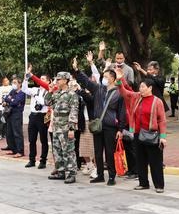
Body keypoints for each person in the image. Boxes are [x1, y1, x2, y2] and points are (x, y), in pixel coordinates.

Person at [74, 52, 127, 185]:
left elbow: (121, 113)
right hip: (97, 126)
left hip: (110, 127)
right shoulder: (98, 89)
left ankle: (111, 176)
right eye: (103, 77)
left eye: (106, 77)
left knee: (109, 152)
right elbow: (86, 81)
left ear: (113, 79)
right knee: (98, 152)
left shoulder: (119, 94)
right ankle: (100, 175)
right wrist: (77, 69)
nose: (104, 79)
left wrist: (120, 129)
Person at [117, 68, 167, 193]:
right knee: (140, 160)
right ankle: (143, 183)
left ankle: (159, 185)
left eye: (143, 87)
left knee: (155, 162)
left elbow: (162, 120)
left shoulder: (157, 102)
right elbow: (124, 92)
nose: (141, 89)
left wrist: (163, 137)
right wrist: (119, 80)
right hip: (138, 134)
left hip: (152, 135)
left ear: (150, 88)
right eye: (140, 87)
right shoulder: (136, 97)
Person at [42, 71, 79, 184]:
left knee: (68, 151)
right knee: (57, 150)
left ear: (65, 80)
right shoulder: (57, 93)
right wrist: (49, 91)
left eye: (59, 79)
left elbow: (74, 111)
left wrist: (71, 129)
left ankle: (71, 173)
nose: (56, 81)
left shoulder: (72, 94)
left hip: (66, 127)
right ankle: (61, 171)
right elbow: (47, 102)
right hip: (56, 127)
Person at [22, 64, 49, 169]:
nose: (40, 80)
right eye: (40, 79)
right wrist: (26, 78)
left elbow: (44, 102)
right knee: (32, 139)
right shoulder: (34, 89)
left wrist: (36, 96)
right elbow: (24, 89)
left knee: (43, 139)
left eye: (43, 79)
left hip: (43, 116)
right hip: (33, 116)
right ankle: (32, 159)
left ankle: (43, 160)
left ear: (48, 81)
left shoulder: (49, 92)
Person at [3, 78, 26, 157]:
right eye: (12, 82)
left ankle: (20, 151)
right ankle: (13, 149)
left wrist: (10, 100)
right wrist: (10, 100)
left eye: (15, 82)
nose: (13, 84)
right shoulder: (12, 91)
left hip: (17, 114)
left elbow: (15, 102)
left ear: (19, 84)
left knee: (17, 133)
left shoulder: (22, 93)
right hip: (10, 113)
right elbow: (6, 98)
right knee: (9, 132)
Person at [0, 77, 13, 143]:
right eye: (6, 80)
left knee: (8, 121)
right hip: (1, 107)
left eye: (8, 80)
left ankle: (5, 134)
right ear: (3, 82)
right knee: (2, 121)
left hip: (9, 107)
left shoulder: (11, 88)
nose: (7, 81)